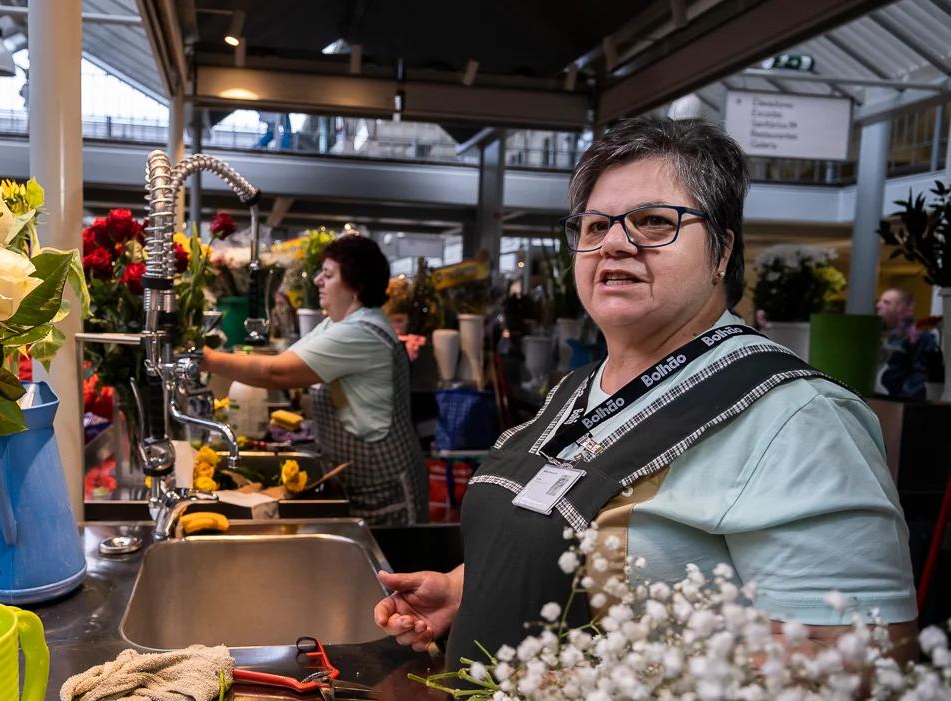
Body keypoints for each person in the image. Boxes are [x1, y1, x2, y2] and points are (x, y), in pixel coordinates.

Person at [374, 116, 917, 672]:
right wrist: (466, 589)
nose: (613, 243)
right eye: (594, 226)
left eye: (654, 222)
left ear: (722, 252)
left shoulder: (801, 420)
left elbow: (858, 665)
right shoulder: (576, 389)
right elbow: (570, 543)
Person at [202, 234, 427, 525]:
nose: (318, 280)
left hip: (384, 490)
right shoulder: (338, 324)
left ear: (356, 285)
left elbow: (277, 373)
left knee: (387, 569)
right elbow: (282, 362)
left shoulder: (360, 333)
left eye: (329, 274)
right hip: (360, 484)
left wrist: (207, 359)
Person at [875, 287, 941, 399]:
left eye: (886, 302)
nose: (879, 306)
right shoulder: (891, 335)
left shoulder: (918, 336)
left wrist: (904, 400)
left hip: (898, 403)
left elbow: (920, 373)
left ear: (902, 308)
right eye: (880, 301)